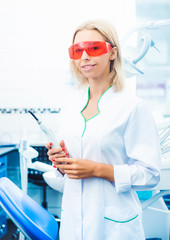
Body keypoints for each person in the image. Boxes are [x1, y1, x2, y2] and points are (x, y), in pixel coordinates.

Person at [45, 20, 161, 240]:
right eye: (77, 50)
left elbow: (151, 175)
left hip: (115, 227)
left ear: (112, 53)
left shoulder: (133, 107)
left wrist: (98, 169)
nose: (85, 56)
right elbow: (66, 173)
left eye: (93, 48)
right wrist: (60, 163)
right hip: (72, 222)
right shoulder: (70, 105)